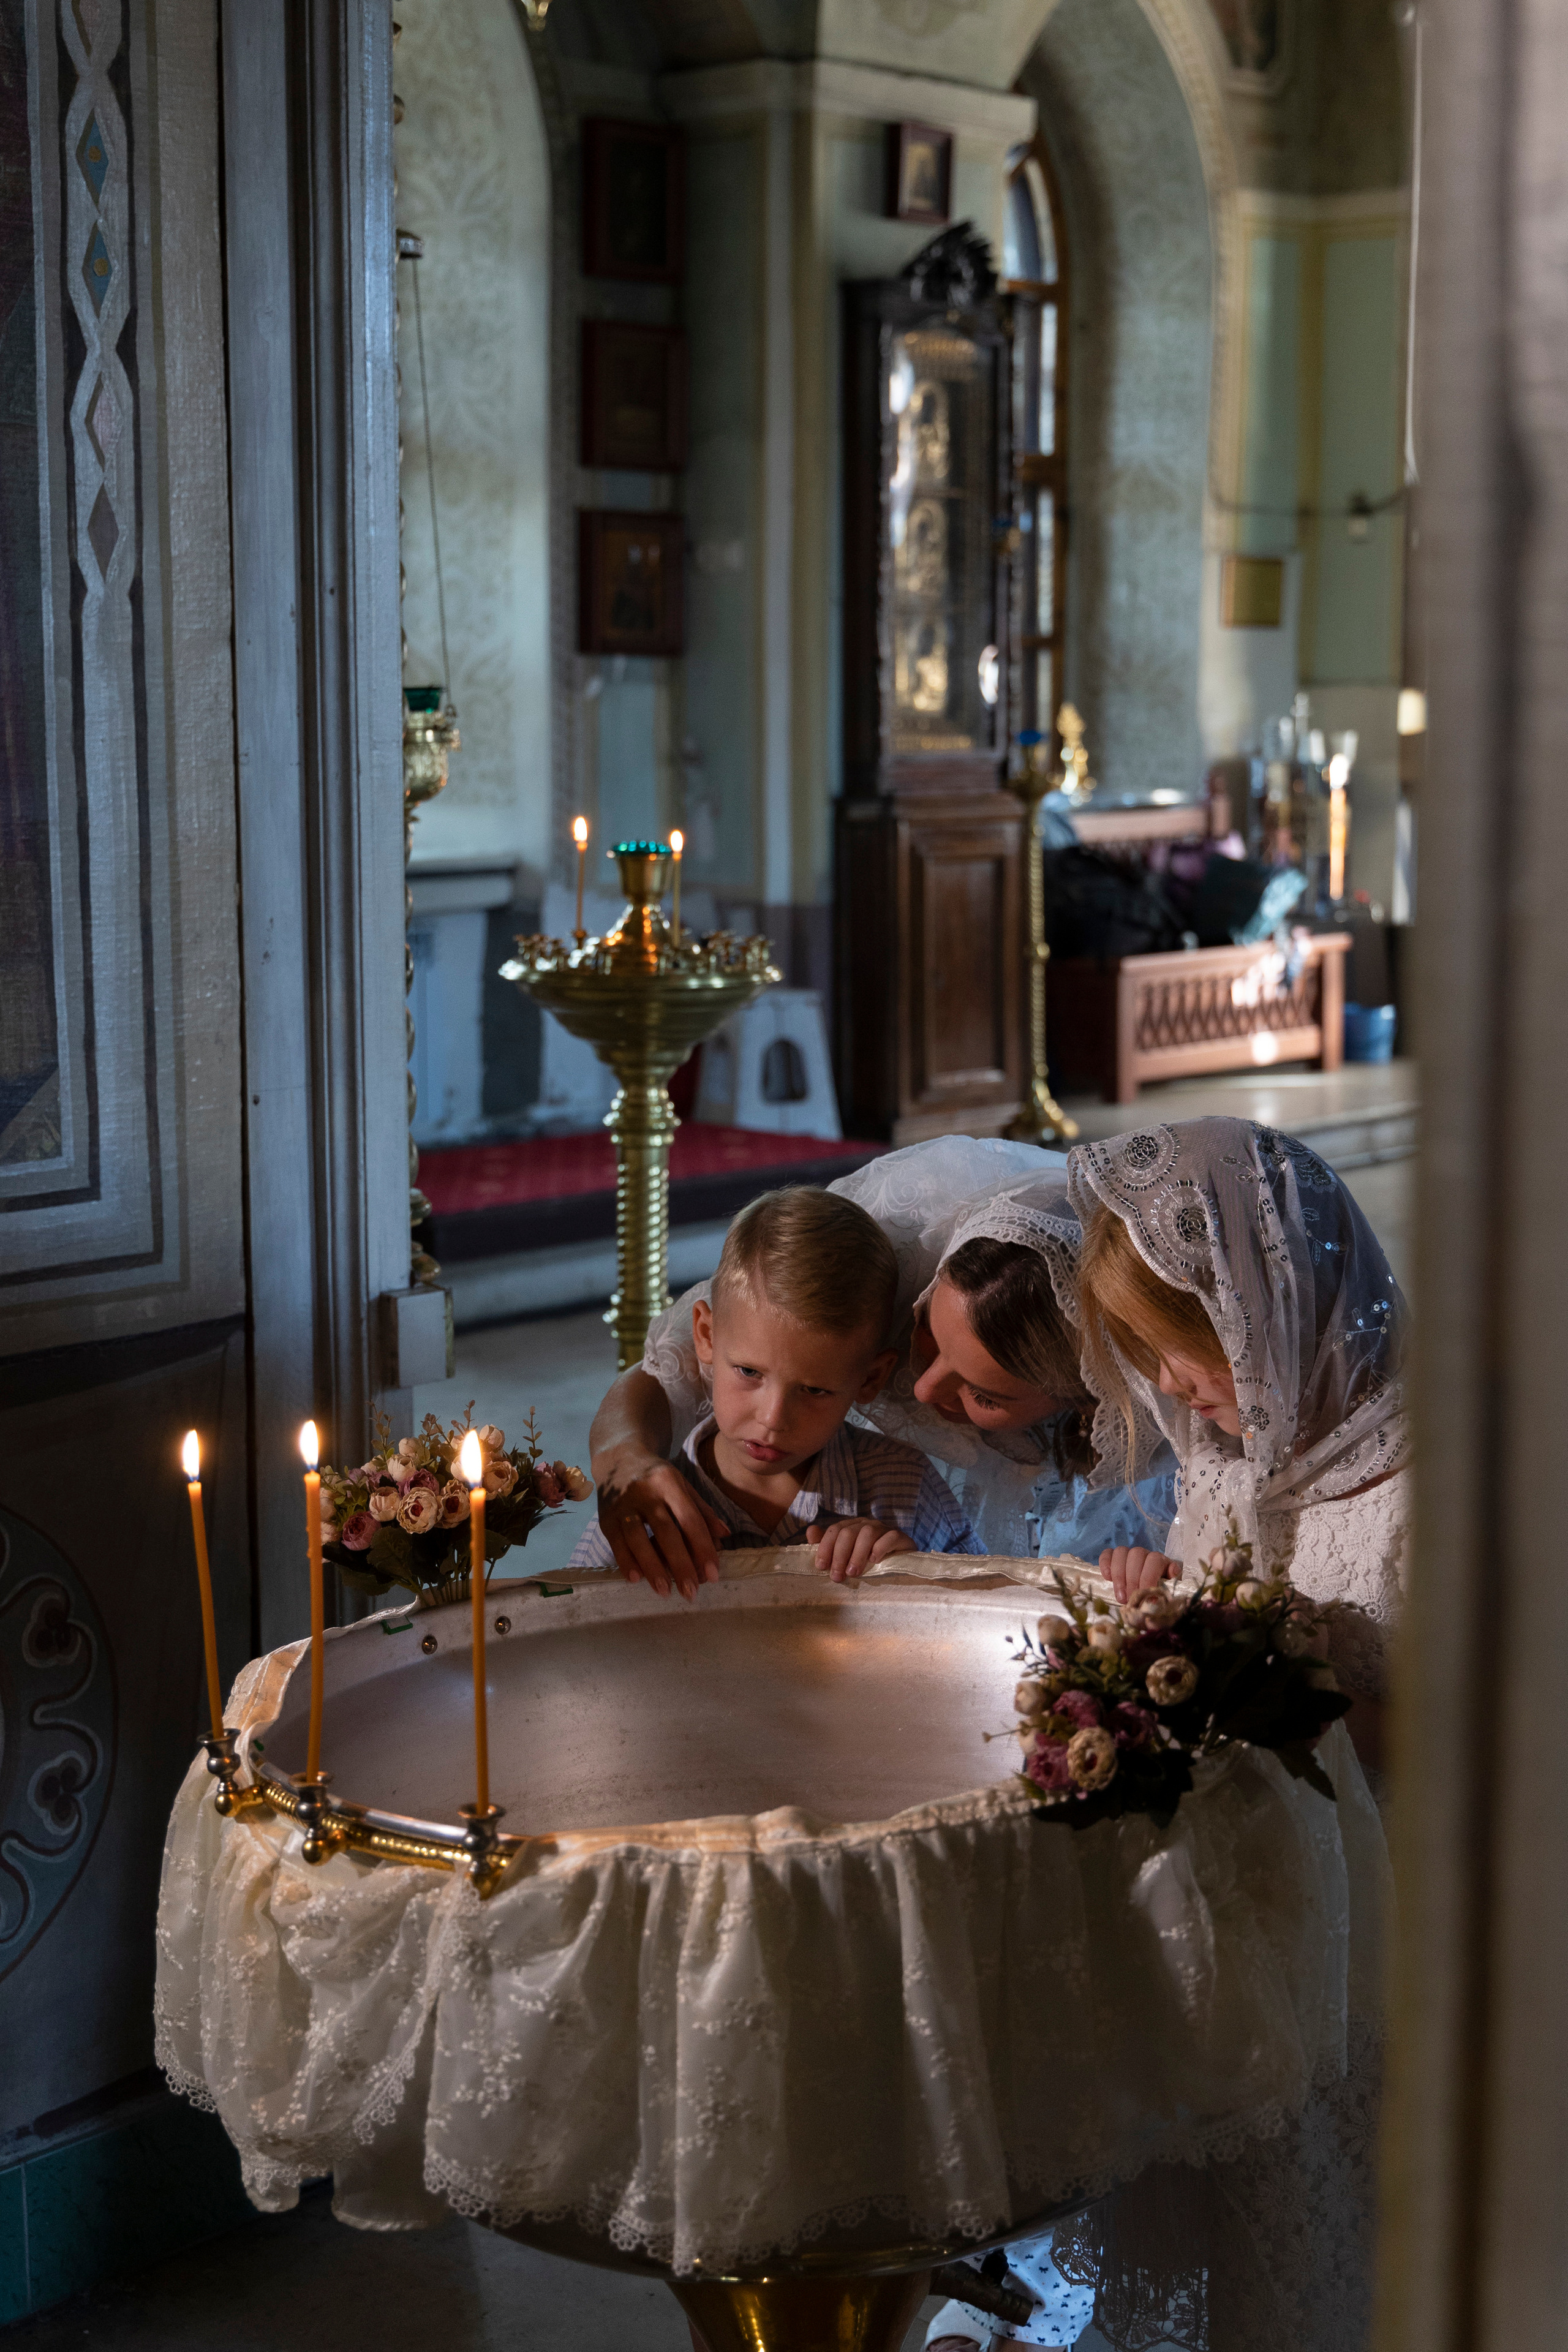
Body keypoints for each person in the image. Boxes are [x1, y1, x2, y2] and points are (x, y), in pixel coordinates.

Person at [586, 1136, 1179, 1597]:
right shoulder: (873, 1272)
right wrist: (623, 1459)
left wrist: (909, 1567)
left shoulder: (1147, 1462)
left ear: (1078, 1401)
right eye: (929, 1334)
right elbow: (664, 1372)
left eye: (984, 1393)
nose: (921, 1390)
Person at [1070, 1116, 1409, 1743]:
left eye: (1181, 1342)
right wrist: (1167, 1607)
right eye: (1149, 1350)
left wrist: (1311, 1697)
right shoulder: (1225, 1460)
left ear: (1272, 1303)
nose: (1167, 1382)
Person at [567, 1186, 981, 1577]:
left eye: (814, 1390)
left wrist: (910, 1569)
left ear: (871, 1378)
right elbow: (570, 1615)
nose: (773, 1419)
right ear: (706, 1336)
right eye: (749, 1372)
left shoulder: (907, 1489)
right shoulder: (644, 1503)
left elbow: (987, 1608)